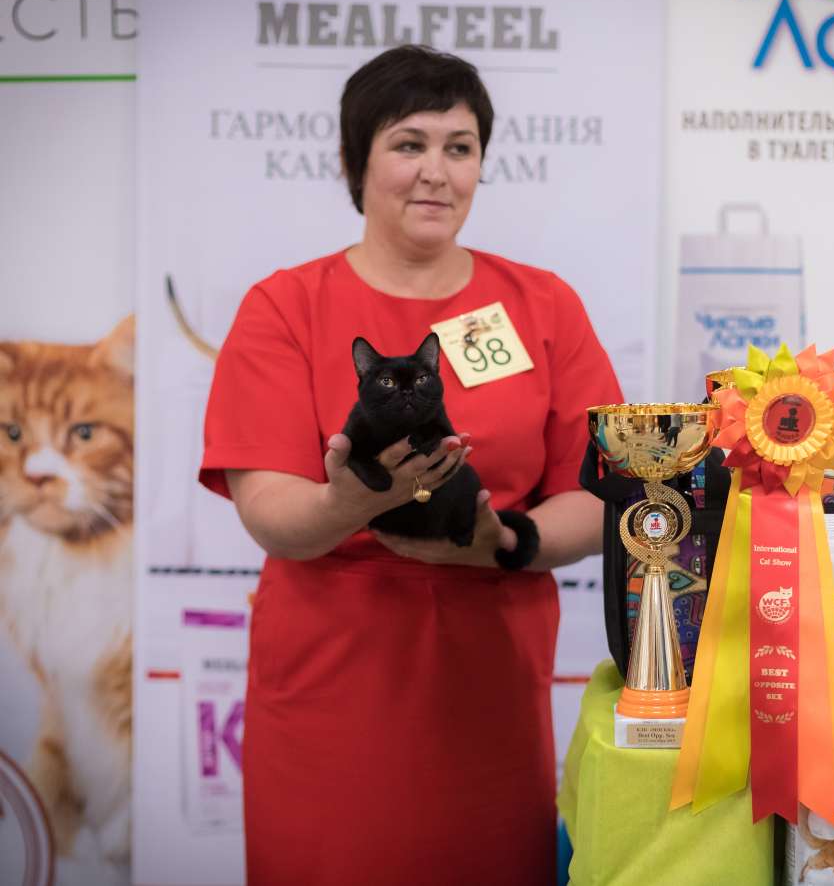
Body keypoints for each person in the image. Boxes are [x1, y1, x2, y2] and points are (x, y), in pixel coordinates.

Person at [199, 45, 622, 885]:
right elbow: (269, 507)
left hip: (486, 681)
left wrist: (509, 542)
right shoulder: (286, 306)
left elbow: (603, 492)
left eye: (459, 147)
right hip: (330, 679)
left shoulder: (540, 305)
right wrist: (352, 502)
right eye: (409, 144)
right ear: (355, 161)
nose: (436, 171)